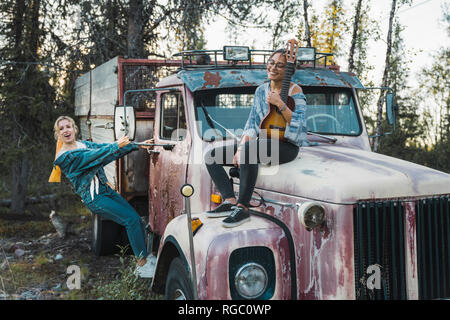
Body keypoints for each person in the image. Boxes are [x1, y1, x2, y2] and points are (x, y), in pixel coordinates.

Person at [204, 48, 307, 228]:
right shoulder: (261, 91)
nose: (273, 68)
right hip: (261, 144)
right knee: (212, 155)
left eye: (280, 65)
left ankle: (243, 207)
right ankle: (229, 201)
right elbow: (251, 123)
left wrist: (280, 104)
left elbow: (300, 124)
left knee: (251, 150)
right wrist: (240, 149)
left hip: (286, 146)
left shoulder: (296, 91)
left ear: (289, 70)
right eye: (272, 62)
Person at [49, 115, 155, 278]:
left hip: (105, 190)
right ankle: (142, 265)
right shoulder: (63, 158)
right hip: (94, 198)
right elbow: (92, 157)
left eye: (68, 126)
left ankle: (145, 259)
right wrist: (115, 145)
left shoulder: (84, 144)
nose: (66, 130)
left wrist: (138, 146)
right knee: (130, 220)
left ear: (74, 128)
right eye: (61, 128)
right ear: (58, 134)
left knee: (136, 219)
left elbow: (106, 152)